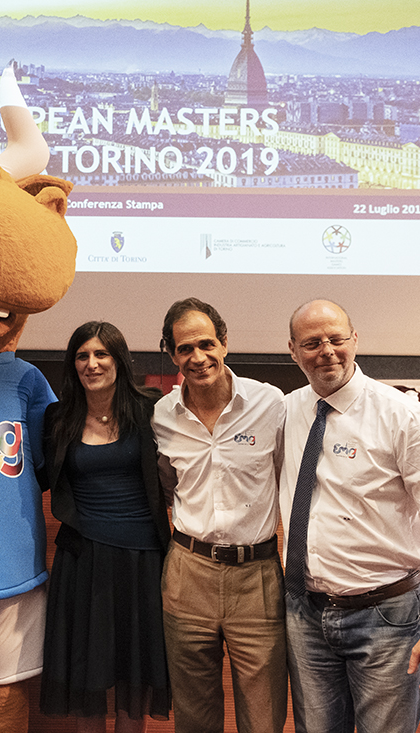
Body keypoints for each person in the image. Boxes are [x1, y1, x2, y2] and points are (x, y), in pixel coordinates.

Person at [281, 299, 420, 733]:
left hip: (388, 615)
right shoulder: (289, 411)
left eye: (336, 338)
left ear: (355, 340)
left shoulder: (404, 416)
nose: (326, 351)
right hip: (305, 615)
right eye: (312, 343)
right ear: (293, 350)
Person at [151, 298, 287, 733]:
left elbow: (289, 478)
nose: (198, 357)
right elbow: (168, 487)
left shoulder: (271, 405)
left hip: (258, 578)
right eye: (185, 348)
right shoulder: (161, 416)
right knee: (193, 715)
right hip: (188, 574)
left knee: (263, 716)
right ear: (171, 355)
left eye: (206, 344)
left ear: (225, 344)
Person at [39, 321, 172, 732]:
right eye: (82, 355)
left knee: (135, 677)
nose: (92, 364)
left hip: (143, 560)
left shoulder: (152, 408)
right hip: (82, 560)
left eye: (101, 354)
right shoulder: (57, 417)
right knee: (86, 676)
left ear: (120, 360)